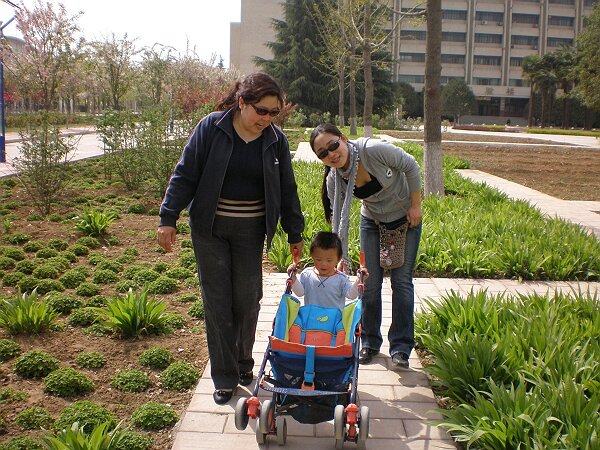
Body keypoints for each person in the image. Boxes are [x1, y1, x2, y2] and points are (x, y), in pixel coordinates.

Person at [157, 72, 304, 405]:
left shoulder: (275, 140)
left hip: (251, 231)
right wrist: (168, 216)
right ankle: (224, 376)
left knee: (247, 300)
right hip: (210, 229)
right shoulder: (212, 128)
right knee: (218, 302)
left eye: (273, 113)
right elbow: (185, 172)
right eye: (261, 111)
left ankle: (243, 361)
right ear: (242, 102)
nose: (267, 119)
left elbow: (287, 188)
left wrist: (294, 231)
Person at [309, 124, 422, 370]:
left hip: (405, 218)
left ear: (343, 139)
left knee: (401, 283)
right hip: (372, 221)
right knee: (368, 282)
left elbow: (411, 165)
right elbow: (339, 222)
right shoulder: (334, 180)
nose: (331, 154)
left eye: (333, 145)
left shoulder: (373, 150)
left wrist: (415, 206)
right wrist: (338, 257)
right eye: (323, 154)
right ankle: (369, 342)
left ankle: (401, 348)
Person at [287, 231, 369, 310]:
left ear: (338, 259)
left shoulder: (341, 279)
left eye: (329, 260)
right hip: (311, 319)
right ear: (312, 256)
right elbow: (299, 293)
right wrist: (293, 278)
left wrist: (359, 280)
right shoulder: (307, 274)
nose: (324, 264)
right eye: (319, 260)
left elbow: (351, 295)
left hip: (333, 321)